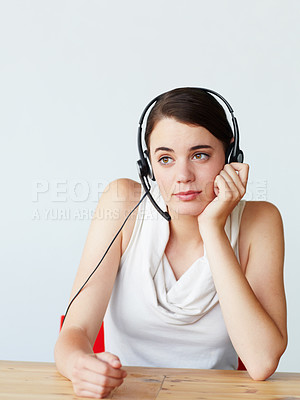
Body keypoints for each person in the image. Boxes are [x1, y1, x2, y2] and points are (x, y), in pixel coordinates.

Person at [54, 87, 287, 399]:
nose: (183, 175)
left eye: (200, 155)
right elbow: (74, 332)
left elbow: (261, 362)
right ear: (148, 165)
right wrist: (79, 365)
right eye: (165, 159)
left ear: (231, 156)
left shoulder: (260, 221)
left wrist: (212, 229)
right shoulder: (123, 203)